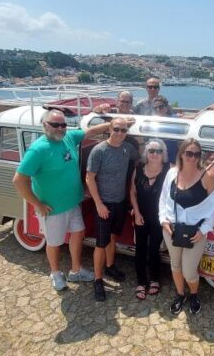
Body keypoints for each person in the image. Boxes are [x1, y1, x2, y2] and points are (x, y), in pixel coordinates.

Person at [12, 109, 121, 291]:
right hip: (52, 208)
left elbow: (90, 132)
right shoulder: (38, 149)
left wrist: (114, 125)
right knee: (54, 242)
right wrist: (37, 204)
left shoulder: (68, 138)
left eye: (63, 124)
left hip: (73, 203)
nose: (60, 128)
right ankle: (55, 273)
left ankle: (76, 270)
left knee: (78, 233)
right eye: (55, 124)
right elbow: (19, 180)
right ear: (45, 125)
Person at [158, 138, 214, 315]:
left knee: (189, 271)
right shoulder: (172, 173)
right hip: (171, 229)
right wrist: (163, 220)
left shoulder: (206, 176)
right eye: (189, 153)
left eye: (196, 154)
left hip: (195, 233)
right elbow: (163, 199)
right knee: (175, 266)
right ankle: (180, 295)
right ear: (181, 154)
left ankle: (194, 294)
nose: (192, 158)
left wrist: (204, 230)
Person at [85, 117, 140, 301]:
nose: (120, 133)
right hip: (104, 204)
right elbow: (89, 178)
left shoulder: (127, 148)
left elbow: (139, 162)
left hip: (120, 202)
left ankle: (110, 266)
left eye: (124, 130)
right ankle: (98, 280)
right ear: (109, 129)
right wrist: (99, 204)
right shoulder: (99, 150)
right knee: (101, 243)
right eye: (116, 129)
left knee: (113, 236)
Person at [129, 138, 171, 300]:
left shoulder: (169, 169)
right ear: (146, 153)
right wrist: (137, 213)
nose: (155, 154)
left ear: (163, 154)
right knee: (140, 249)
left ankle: (154, 279)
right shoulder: (139, 169)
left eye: (158, 151)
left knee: (154, 249)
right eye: (151, 151)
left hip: (160, 217)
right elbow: (132, 191)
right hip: (141, 215)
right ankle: (141, 282)